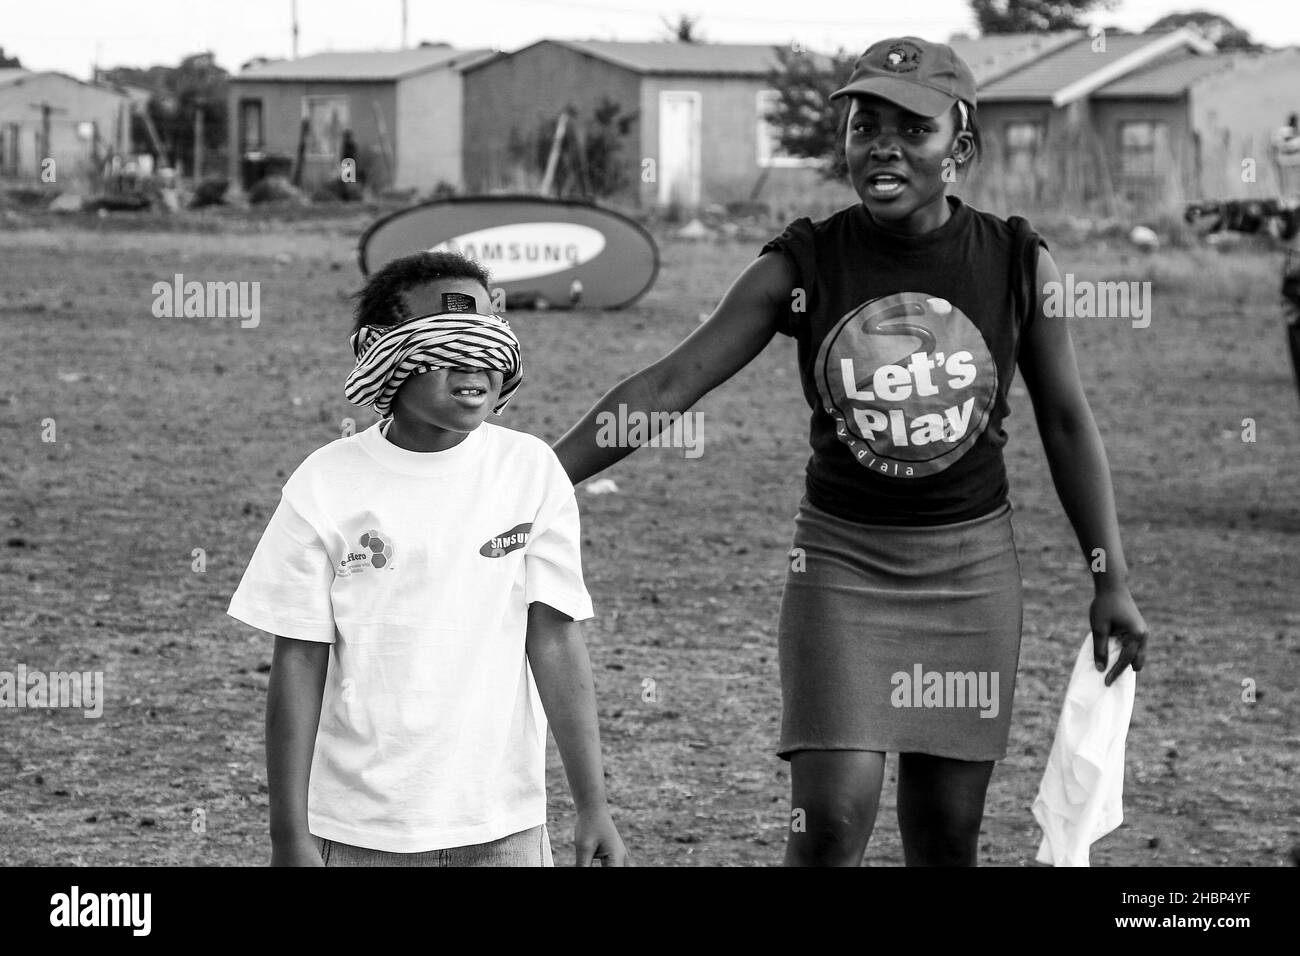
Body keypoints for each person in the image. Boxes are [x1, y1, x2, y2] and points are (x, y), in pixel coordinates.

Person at [553, 36, 1148, 866]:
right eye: (866, 126)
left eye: (914, 129)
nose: (885, 146)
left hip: (970, 576)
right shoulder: (806, 261)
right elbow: (673, 382)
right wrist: (537, 475)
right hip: (840, 571)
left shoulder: (1017, 261)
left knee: (946, 835)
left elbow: (1067, 422)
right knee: (830, 822)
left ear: (960, 149)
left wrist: (1108, 578)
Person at [228, 251, 628, 867]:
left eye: (490, 342)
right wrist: (289, 834)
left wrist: (593, 805)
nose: (475, 364)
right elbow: (300, 660)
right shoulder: (325, 484)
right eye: (445, 346)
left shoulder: (531, 472)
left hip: (505, 826)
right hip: (358, 829)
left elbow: (554, 641)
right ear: (381, 355)